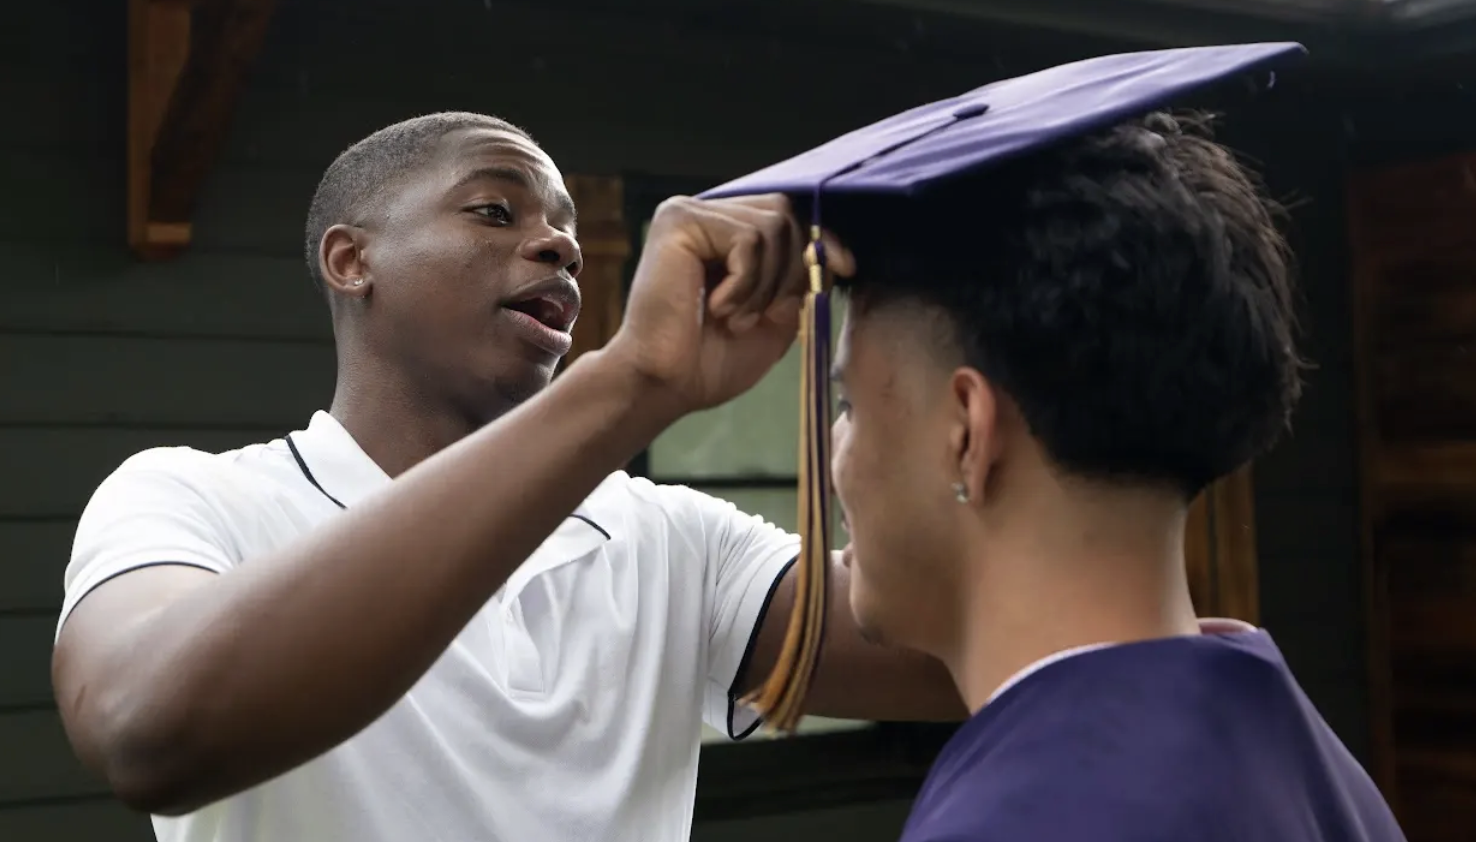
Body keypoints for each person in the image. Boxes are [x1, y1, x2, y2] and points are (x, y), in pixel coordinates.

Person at [51, 111, 961, 842]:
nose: (559, 246)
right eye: (497, 211)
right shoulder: (192, 498)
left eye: (567, 231)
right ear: (351, 259)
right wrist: (631, 383)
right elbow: (147, 732)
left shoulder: (676, 543)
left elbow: (983, 640)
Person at [698, 44, 1405, 841]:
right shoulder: (1302, 751)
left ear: (967, 431)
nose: (835, 453)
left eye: (851, 404)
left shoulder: (1031, 816)